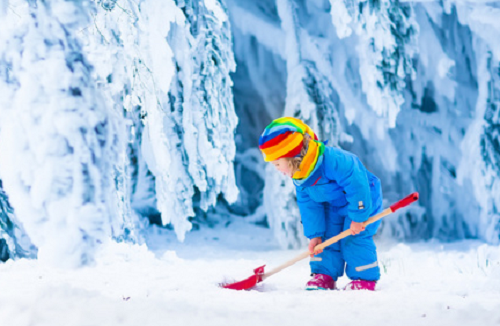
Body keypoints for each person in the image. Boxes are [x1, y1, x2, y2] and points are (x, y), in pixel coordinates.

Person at [259, 117, 383, 291]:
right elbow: (308, 206)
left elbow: (357, 185)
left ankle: (364, 279)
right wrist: (314, 234)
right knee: (324, 240)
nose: (277, 169)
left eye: (278, 163)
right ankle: (324, 275)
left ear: (292, 156)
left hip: (363, 199)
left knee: (353, 237)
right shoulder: (300, 177)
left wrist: (358, 217)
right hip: (334, 204)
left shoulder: (335, 160)